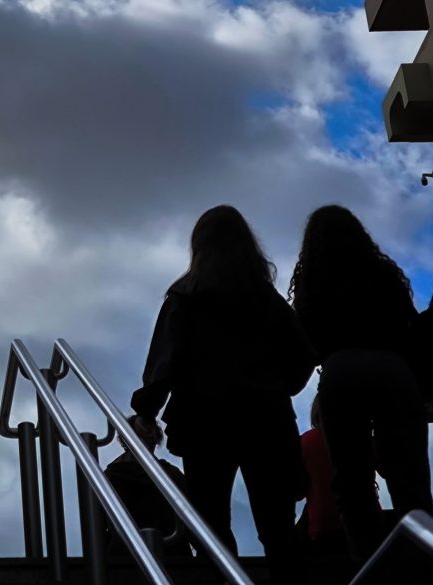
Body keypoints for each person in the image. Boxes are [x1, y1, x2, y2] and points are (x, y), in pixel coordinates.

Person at [131, 205, 314, 584]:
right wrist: (281, 387)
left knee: (211, 524)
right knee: (277, 526)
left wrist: (146, 411)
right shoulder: (266, 299)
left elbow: (165, 360)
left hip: (204, 421)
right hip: (266, 417)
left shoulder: (185, 297)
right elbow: (301, 355)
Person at [288, 204, 433, 560]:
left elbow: (305, 338)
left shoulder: (313, 280)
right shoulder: (382, 274)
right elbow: (409, 328)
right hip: (393, 369)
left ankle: (367, 560)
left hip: (341, 372)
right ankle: (424, 559)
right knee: (409, 476)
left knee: (351, 481)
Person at [297, 397, 380, 556]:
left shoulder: (305, 441)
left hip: (324, 529)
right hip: (367, 524)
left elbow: (297, 492)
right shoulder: (363, 438)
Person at [104, 415, 191, 557]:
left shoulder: (109, 476)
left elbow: (97, 523)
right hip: (172, 553)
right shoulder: (171, 474)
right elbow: (190, 517)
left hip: (124, 555)